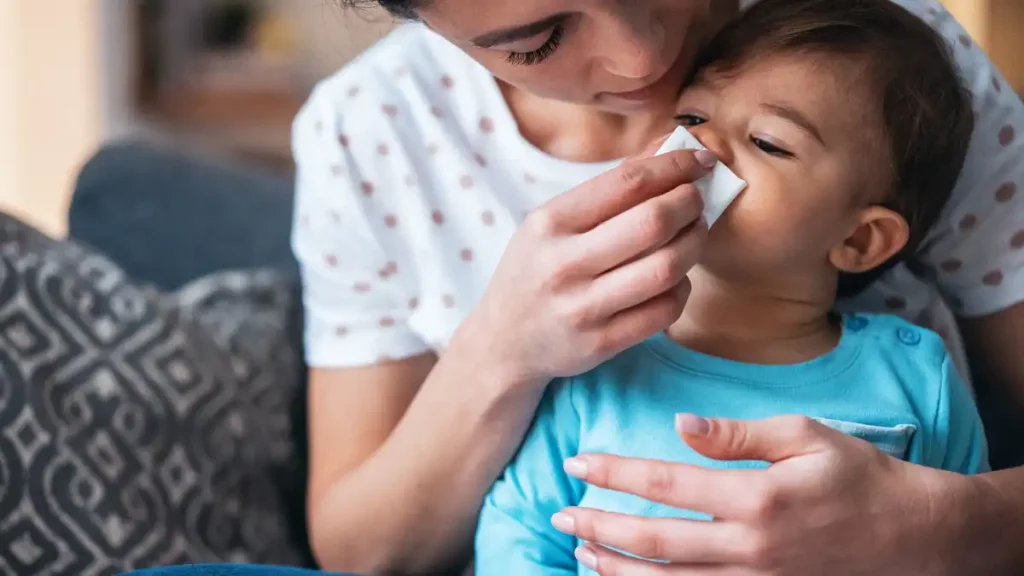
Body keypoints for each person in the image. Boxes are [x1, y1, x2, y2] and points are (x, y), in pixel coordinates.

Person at [292, 0, 1024, 574]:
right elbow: (386, 548)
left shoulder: (890, 61)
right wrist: (502, 349)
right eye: (538, 41)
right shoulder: (367, 132)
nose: (644, 59)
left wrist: (944, 526)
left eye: (767, 142)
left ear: (864, 238)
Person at [473, 0, 985, 572]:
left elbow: (964, 550)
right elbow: (519, 528)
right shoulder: (599, 365)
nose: (703, 148)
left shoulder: (916, 378)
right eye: (690, 119)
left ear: (861, 241)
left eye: (768, 142)